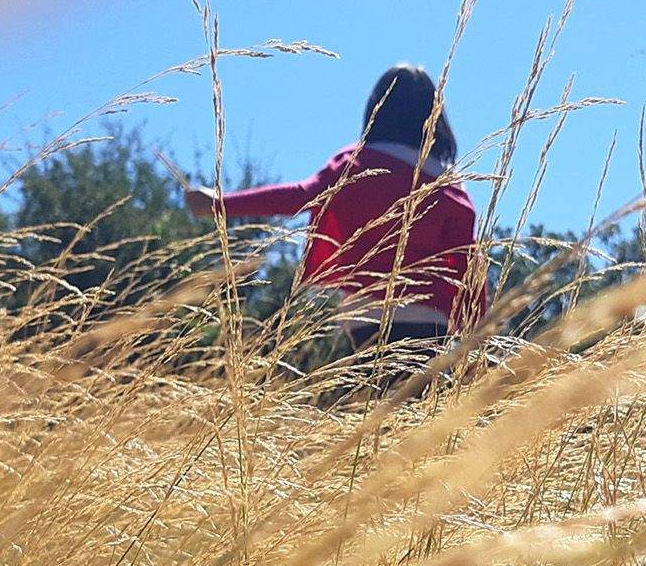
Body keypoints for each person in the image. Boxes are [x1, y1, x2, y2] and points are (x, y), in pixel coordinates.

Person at [185, 65, 485, 358]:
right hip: (428, 318)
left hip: (365, 315)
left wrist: (219, 204)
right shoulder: (447, 186)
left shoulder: (354, 165)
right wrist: (476, 336)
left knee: (377, 400)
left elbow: (300, 196)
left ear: (376, 111)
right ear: (435, 118)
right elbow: (467, 262)